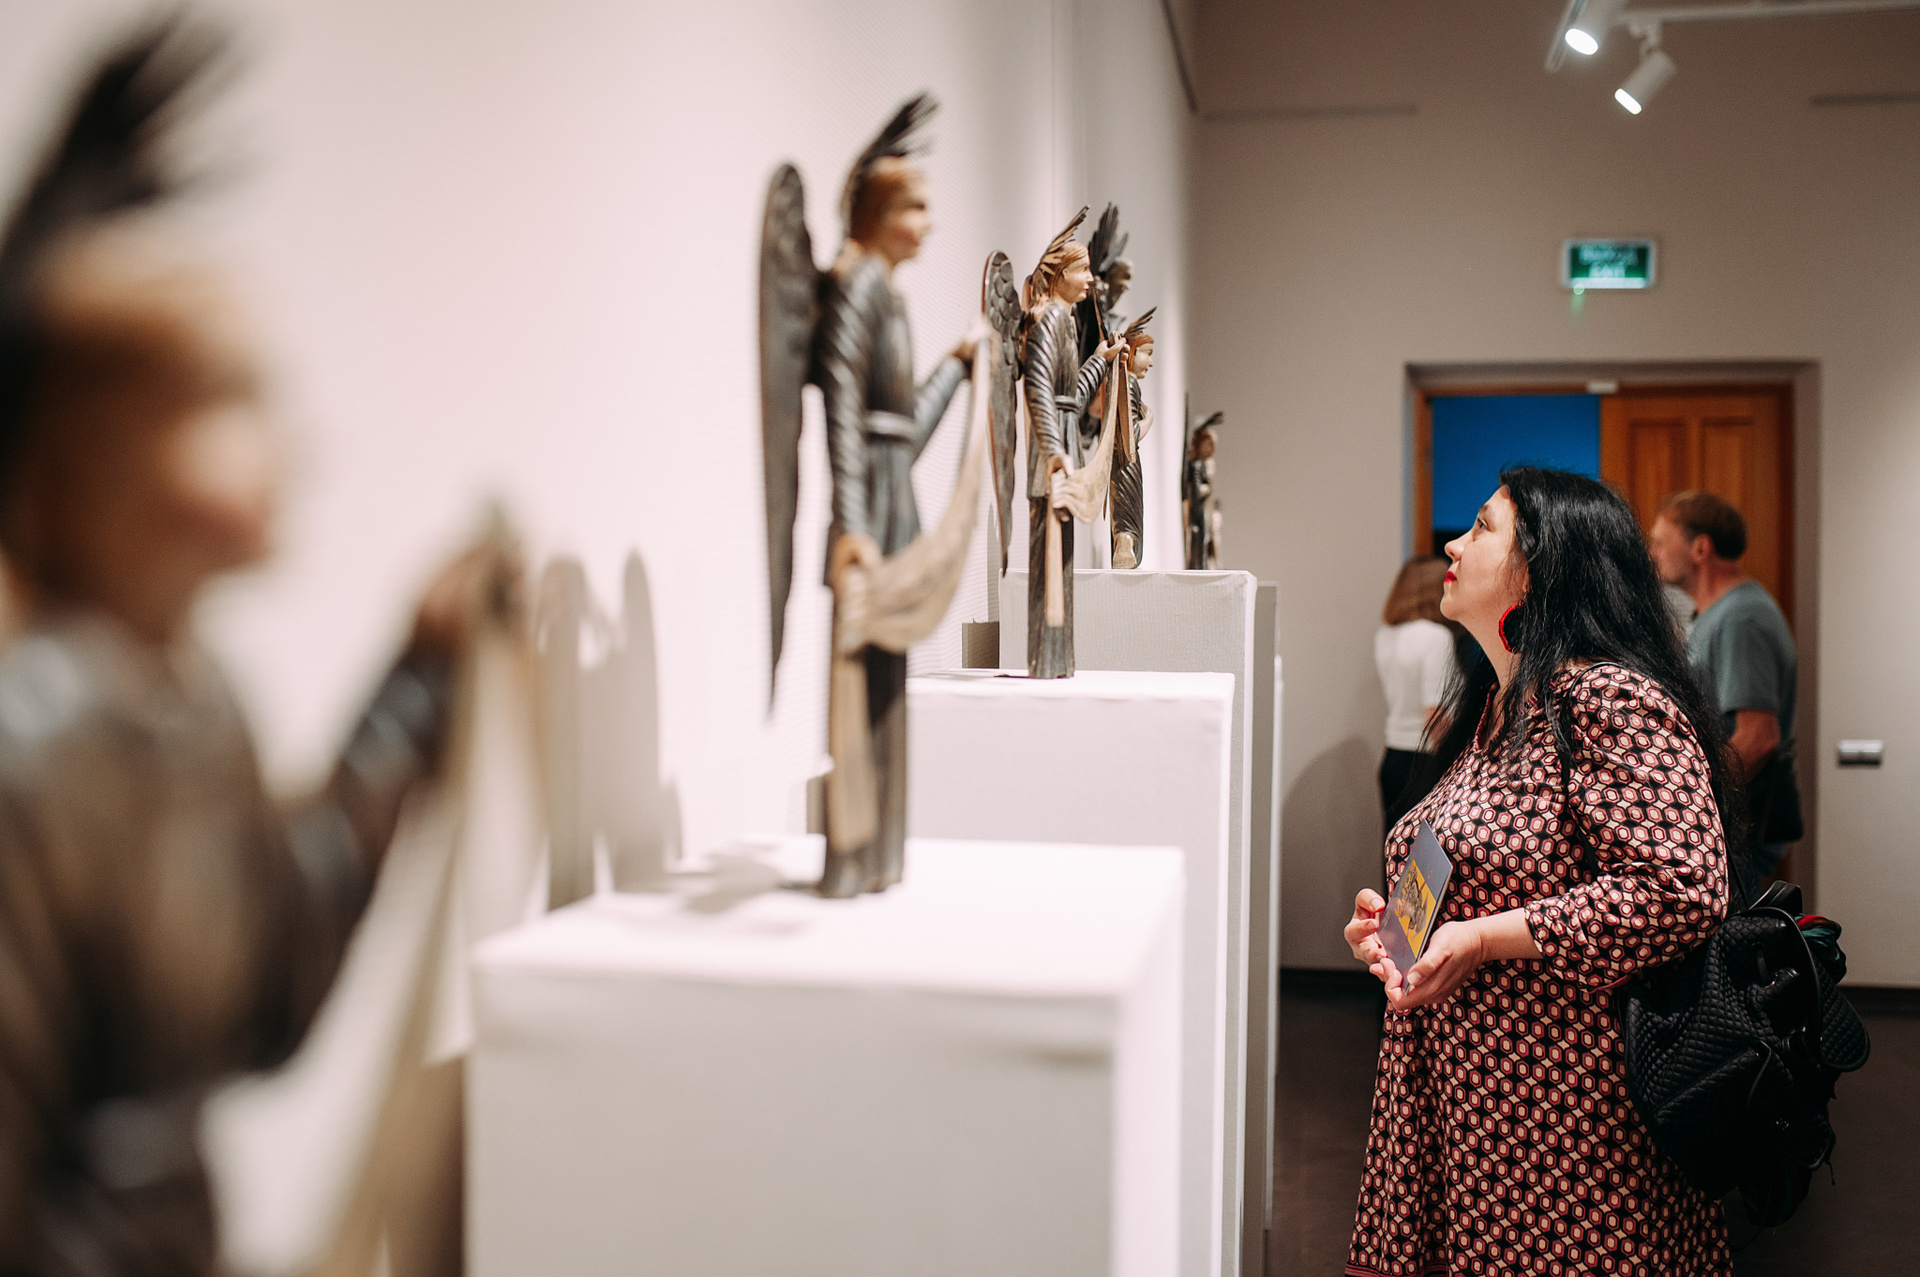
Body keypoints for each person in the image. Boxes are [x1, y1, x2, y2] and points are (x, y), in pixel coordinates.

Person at [0, 26, 494, 1274]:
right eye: (228, 401)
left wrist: (417, 684)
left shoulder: (196, 699)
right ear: (100, 453)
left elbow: (268, 985)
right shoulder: (26, 746)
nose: (292, 446)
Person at [1342, 467, 1745, 1277]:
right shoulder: (1501, 707)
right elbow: (1490, 871)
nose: (1454, 545)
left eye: (1482, 527)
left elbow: (1681, 885)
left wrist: (1484, 938)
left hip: (1568, 1129)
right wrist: (1393, 933)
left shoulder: (1607, 698)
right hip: (1475, 1109)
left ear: (1539, 567)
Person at [1648, 490, 1800, 880]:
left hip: (1737, 832)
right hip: (1723, 827)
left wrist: (1686, 804)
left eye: (1661, 542)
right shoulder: (1715, 615)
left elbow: (1758, 737)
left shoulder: (1741, 618)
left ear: (1701, 548)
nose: (1653, 553)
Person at [1373, 556, 1460, 841]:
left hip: (1393, 757)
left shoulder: (1385, 635)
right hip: (1425, 761)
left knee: (1396, 848)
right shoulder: (1436, 637)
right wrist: (1457, 762)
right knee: (1424, 855)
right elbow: (1434, 713)